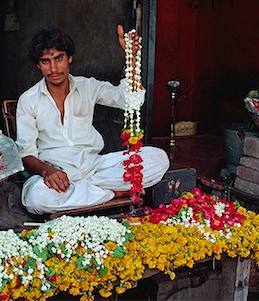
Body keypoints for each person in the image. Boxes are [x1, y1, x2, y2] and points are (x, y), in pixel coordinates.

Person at [16, 25, 169, 214]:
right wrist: (47, 172)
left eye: (59, 58)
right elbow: (26, 153)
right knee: (36, 197)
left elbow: (131, 100)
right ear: (38, 65)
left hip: (95, 167)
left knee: (159, 159)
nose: (54, 68)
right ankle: (111, 193)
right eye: (45, 61)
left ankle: (87, 191)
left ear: (69, 58)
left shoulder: (88, 86)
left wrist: (131, 59)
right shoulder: (28, 100)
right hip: (57, 172)